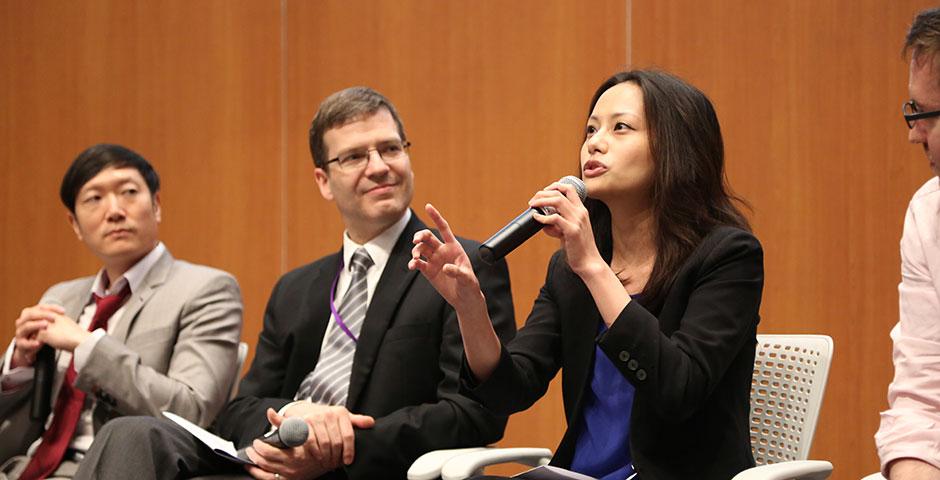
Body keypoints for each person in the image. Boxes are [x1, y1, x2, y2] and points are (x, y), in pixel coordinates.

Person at [75, 87, 515, 480]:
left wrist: (339, 443)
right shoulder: (297, 287)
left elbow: (475, 413)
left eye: (390, 148)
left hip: (364, 466)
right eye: (355, 156)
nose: (379, 167)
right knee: (132, 434)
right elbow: (241, 408)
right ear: (323, 181)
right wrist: (291, 416)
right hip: (269, 461)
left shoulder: (461, 266)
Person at [410, 69, 764, 480]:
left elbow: (677, 389)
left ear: (676, 147)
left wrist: (594, 267)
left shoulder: (727, 256)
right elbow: (511, 388)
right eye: (591, 129)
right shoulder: (570, 269)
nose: (594, 143)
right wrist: (469, 308)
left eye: (621, 128)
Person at [0, 144, 244, 480]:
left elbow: (191, 410)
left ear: (156, 205)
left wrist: (87, 345)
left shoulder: (207, 288)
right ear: (74, 223)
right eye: (94, 199)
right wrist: (19, 367)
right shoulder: (60, 297)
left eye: (129, 192)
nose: (114, 211)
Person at [875, 7, 940, 480]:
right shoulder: (929, 213)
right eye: (911, 112)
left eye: (926, 114)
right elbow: (921, 396)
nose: (914, 132)